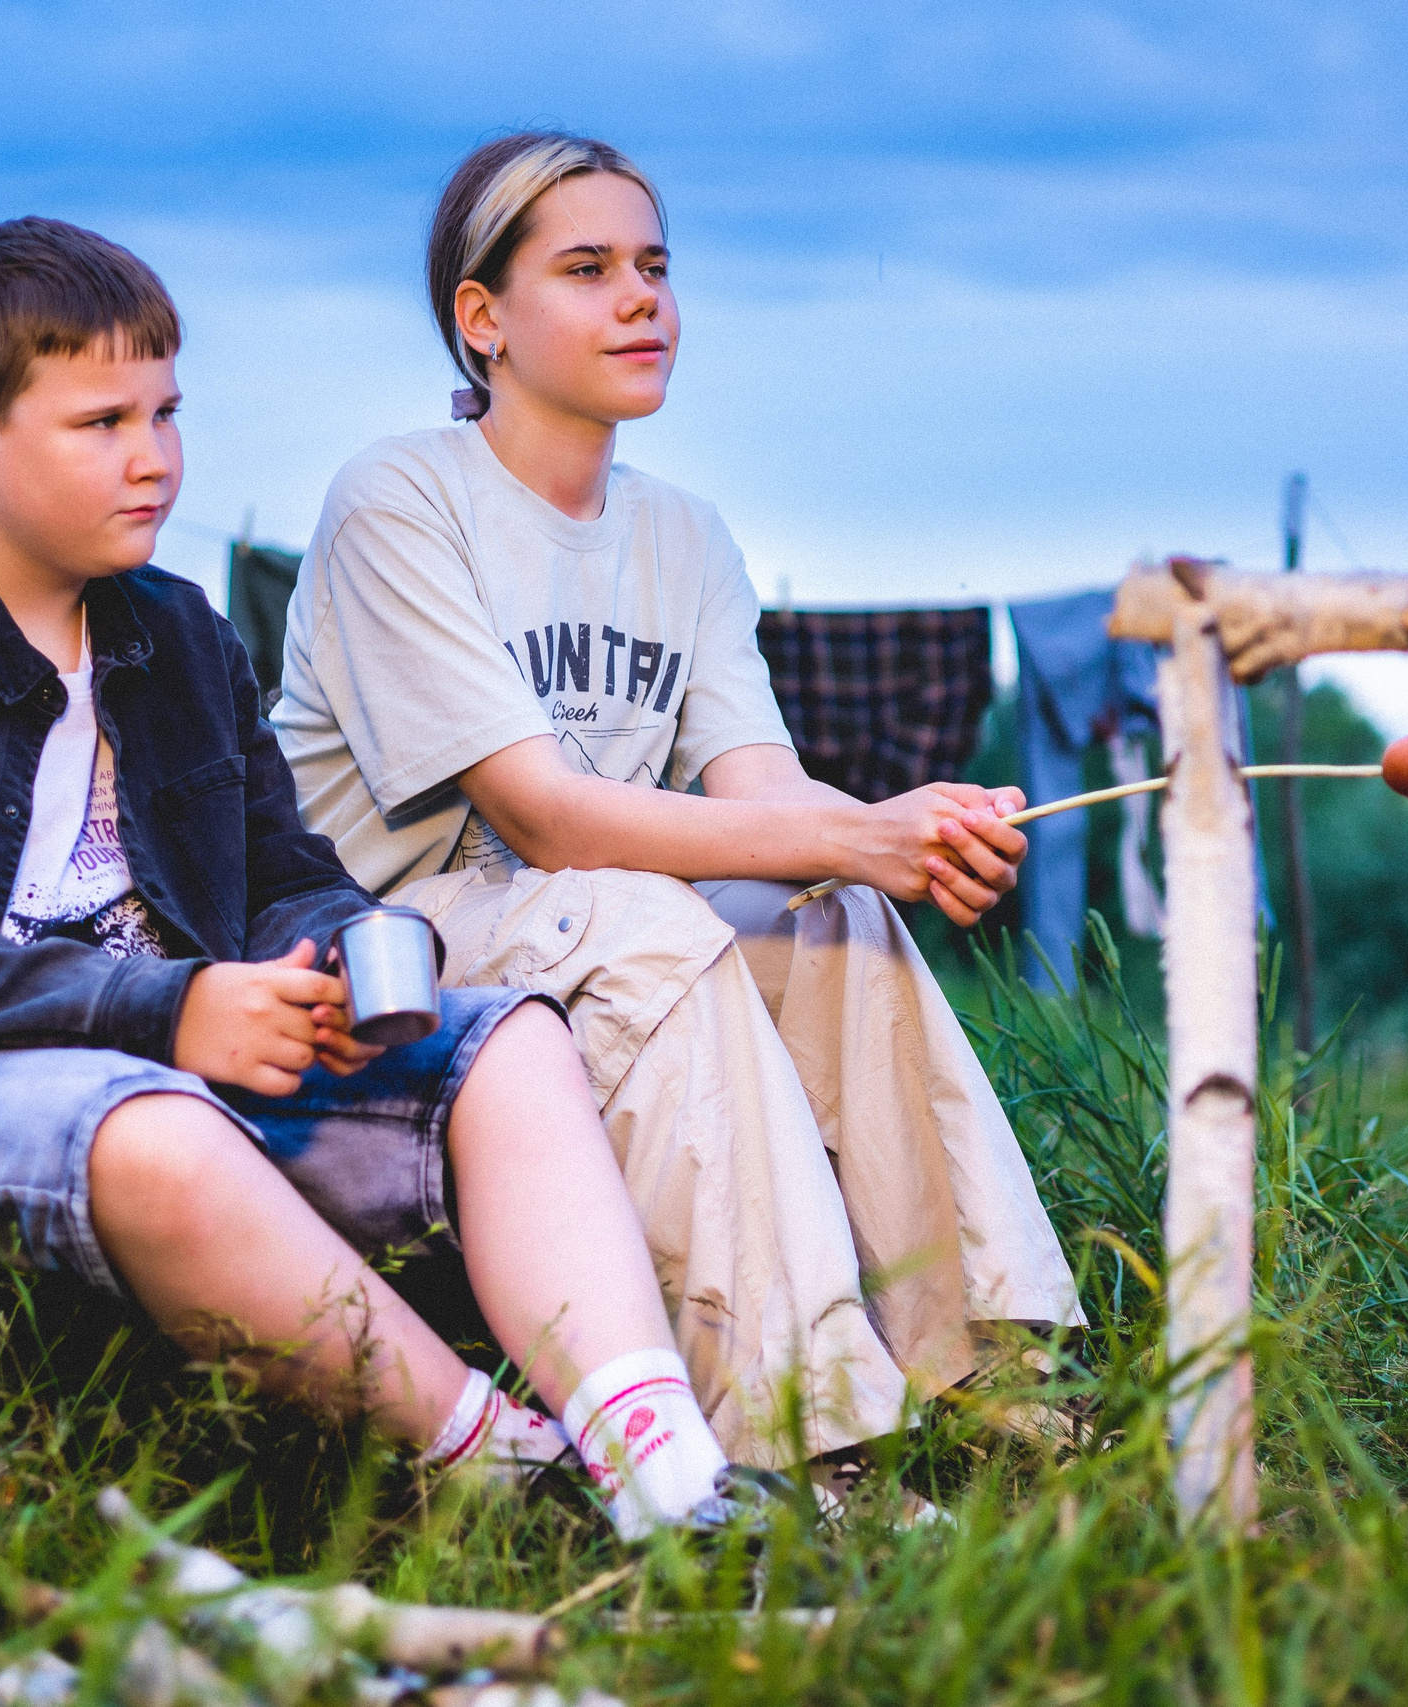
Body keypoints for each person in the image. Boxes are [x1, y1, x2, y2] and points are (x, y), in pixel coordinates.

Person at [0, 216, 753, 1542]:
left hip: (179, 1068)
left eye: (166, 413)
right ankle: (502, 1472)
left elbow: (283, 874)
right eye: (101, 424)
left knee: (513, 1047)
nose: (154, 461)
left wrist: (346, 954)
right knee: (160, 1133)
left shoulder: (176, 633)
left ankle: (665, 1473)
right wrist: (170, 1011)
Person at [274, 134, 1083, 1492]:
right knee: (663, 923)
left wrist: (905, 826)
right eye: (586, 270)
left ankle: (985, 1368)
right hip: (387, 945)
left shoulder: (685, 535)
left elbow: (762, 791)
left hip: (586, 915)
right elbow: (537, 814)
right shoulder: (398, 498)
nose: (642, 300)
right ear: (483, 321)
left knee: (835, 912)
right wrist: (849, 831)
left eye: (653, 266)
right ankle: (794, 1439)